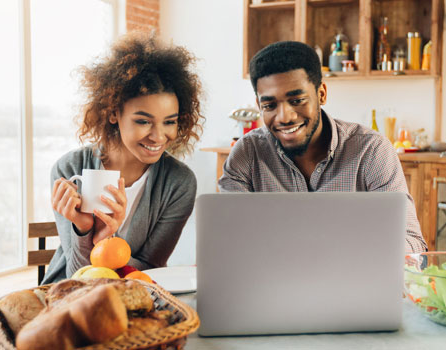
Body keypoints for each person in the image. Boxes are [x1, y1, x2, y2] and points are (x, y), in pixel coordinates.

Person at [219, 41, 426, 252]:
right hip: (273, 281)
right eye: (270, 106)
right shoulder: (247, 153)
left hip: (353, 279)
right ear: (259, 105)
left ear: (322, 94)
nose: (285, 117)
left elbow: (412, 244)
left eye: (297, 100)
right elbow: (230, 240)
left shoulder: (371, 151)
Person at [44, 33, 204, 284]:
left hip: (134, 298)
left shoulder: (178, 182)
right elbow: (76, 276)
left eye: (169, 122)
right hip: (66, 297)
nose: (159, 136)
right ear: (113, 113)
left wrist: (107, 241)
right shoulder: (70, 168)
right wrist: (83, 229)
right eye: (143, 121)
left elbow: (150, 269)